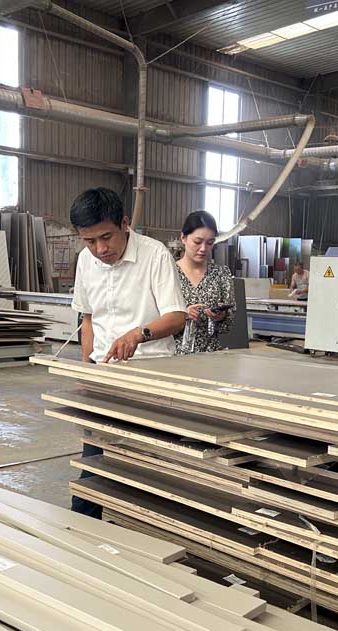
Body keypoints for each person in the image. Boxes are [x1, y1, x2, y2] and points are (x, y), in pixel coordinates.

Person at [68, 187, 186, 517]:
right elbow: (88, 319)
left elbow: (176, 316)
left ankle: (143, 528)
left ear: (124, 224)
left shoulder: (154, 255)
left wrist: (139, 334)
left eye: (106, 237)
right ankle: (84, 528)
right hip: (105, 380)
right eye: (90, 241)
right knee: (96, 463)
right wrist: (86, 370)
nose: (100, 249)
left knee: (147, 468)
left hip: (151, 381)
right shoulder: (86, 261)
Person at [174, 211, 234, 354]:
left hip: (211, 356)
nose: (203, 249)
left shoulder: (221, 274)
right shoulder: (169, 273)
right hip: (174, 356)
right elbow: (153, 319)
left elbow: (229, 323)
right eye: (197, 242)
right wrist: (182, 316)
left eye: (210, 243)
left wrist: (221, 316)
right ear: (183, 238)